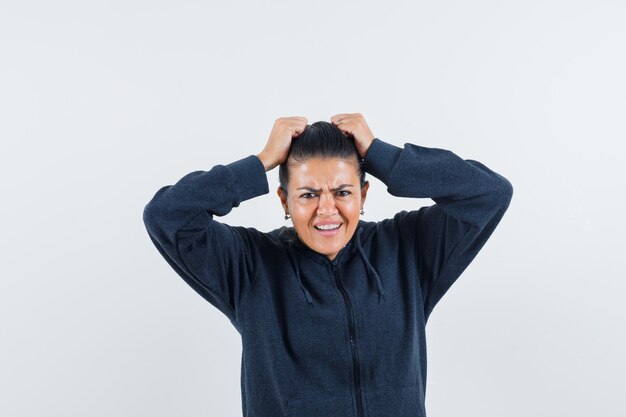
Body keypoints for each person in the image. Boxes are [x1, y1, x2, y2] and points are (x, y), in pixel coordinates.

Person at [142, 113, 513, 417]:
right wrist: (259, 163)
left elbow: (489, 193)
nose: (327, 209)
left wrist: (383, 156)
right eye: (308, 195)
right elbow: (166, 216)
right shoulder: (250, 265)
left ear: (363, 194)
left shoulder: (408, 250)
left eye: (342, 192)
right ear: (285, 201)